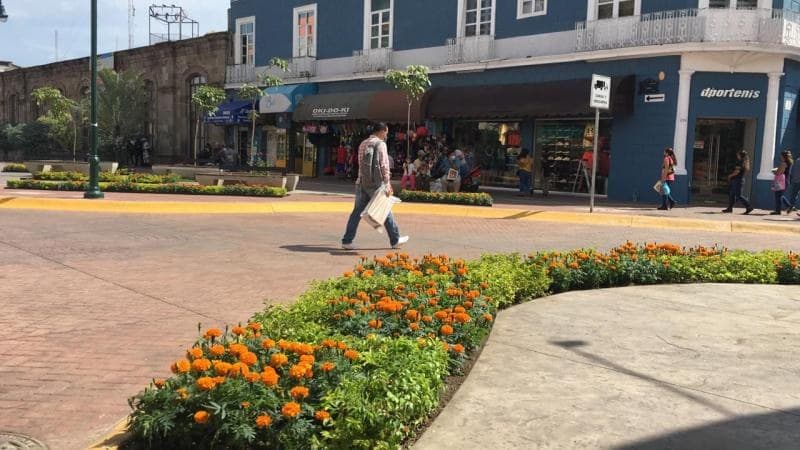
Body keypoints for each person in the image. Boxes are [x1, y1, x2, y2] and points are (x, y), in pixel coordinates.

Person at [341, 122, 409, 250]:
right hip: (376, 184)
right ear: (381, 131)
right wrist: (387, 183)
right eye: (386, 133)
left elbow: (361, 165)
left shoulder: (363, 143)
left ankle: (347, 240)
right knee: (385, 210)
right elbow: (384, 165)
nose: (386, 136)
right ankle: (395, 240)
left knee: (356, 213)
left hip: (362, 182)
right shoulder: (380, 144)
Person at [722, 150, 754, 215]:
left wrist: (730, 176)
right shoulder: (743, 162)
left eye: (738, 155)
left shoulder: (740, 162)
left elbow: (737, 172)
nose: (737, 156)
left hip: (737, 180)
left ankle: (749, 206)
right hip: (737, 180)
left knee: (739, 196)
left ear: (740, 156)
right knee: (732, 194)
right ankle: (730, 208)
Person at [771, 150, 791, 215]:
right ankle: (788, 206)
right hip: (785, 180)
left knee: (778, 195)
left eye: (781, 156)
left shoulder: (783, 163)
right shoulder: (788, 163)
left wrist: (774, 171)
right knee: (780, 195)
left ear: (784, 156)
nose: (780, 157)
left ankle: (778, 211)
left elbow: (779, 172)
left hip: (781, 181)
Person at [786, 149, 800, 214]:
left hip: (796, 180)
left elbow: (791, 171)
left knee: (794, 195)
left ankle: (791, 206)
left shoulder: (796, 161)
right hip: (797, 180)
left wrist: (791, 179)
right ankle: (791, 206)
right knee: (794, 195)